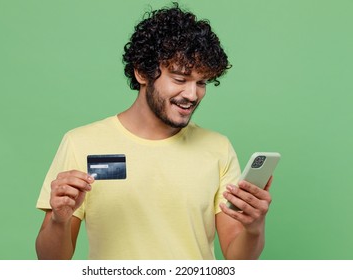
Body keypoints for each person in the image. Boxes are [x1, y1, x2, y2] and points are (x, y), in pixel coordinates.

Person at [35, 3, 273, 260]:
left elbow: (238, 260)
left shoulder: (218, 148)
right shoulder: (81, 143)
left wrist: (254, 227)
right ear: (142, 72)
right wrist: (59, 220)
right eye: (180, 79)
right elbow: (51, 262)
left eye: (201, 82)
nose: (192, 95)